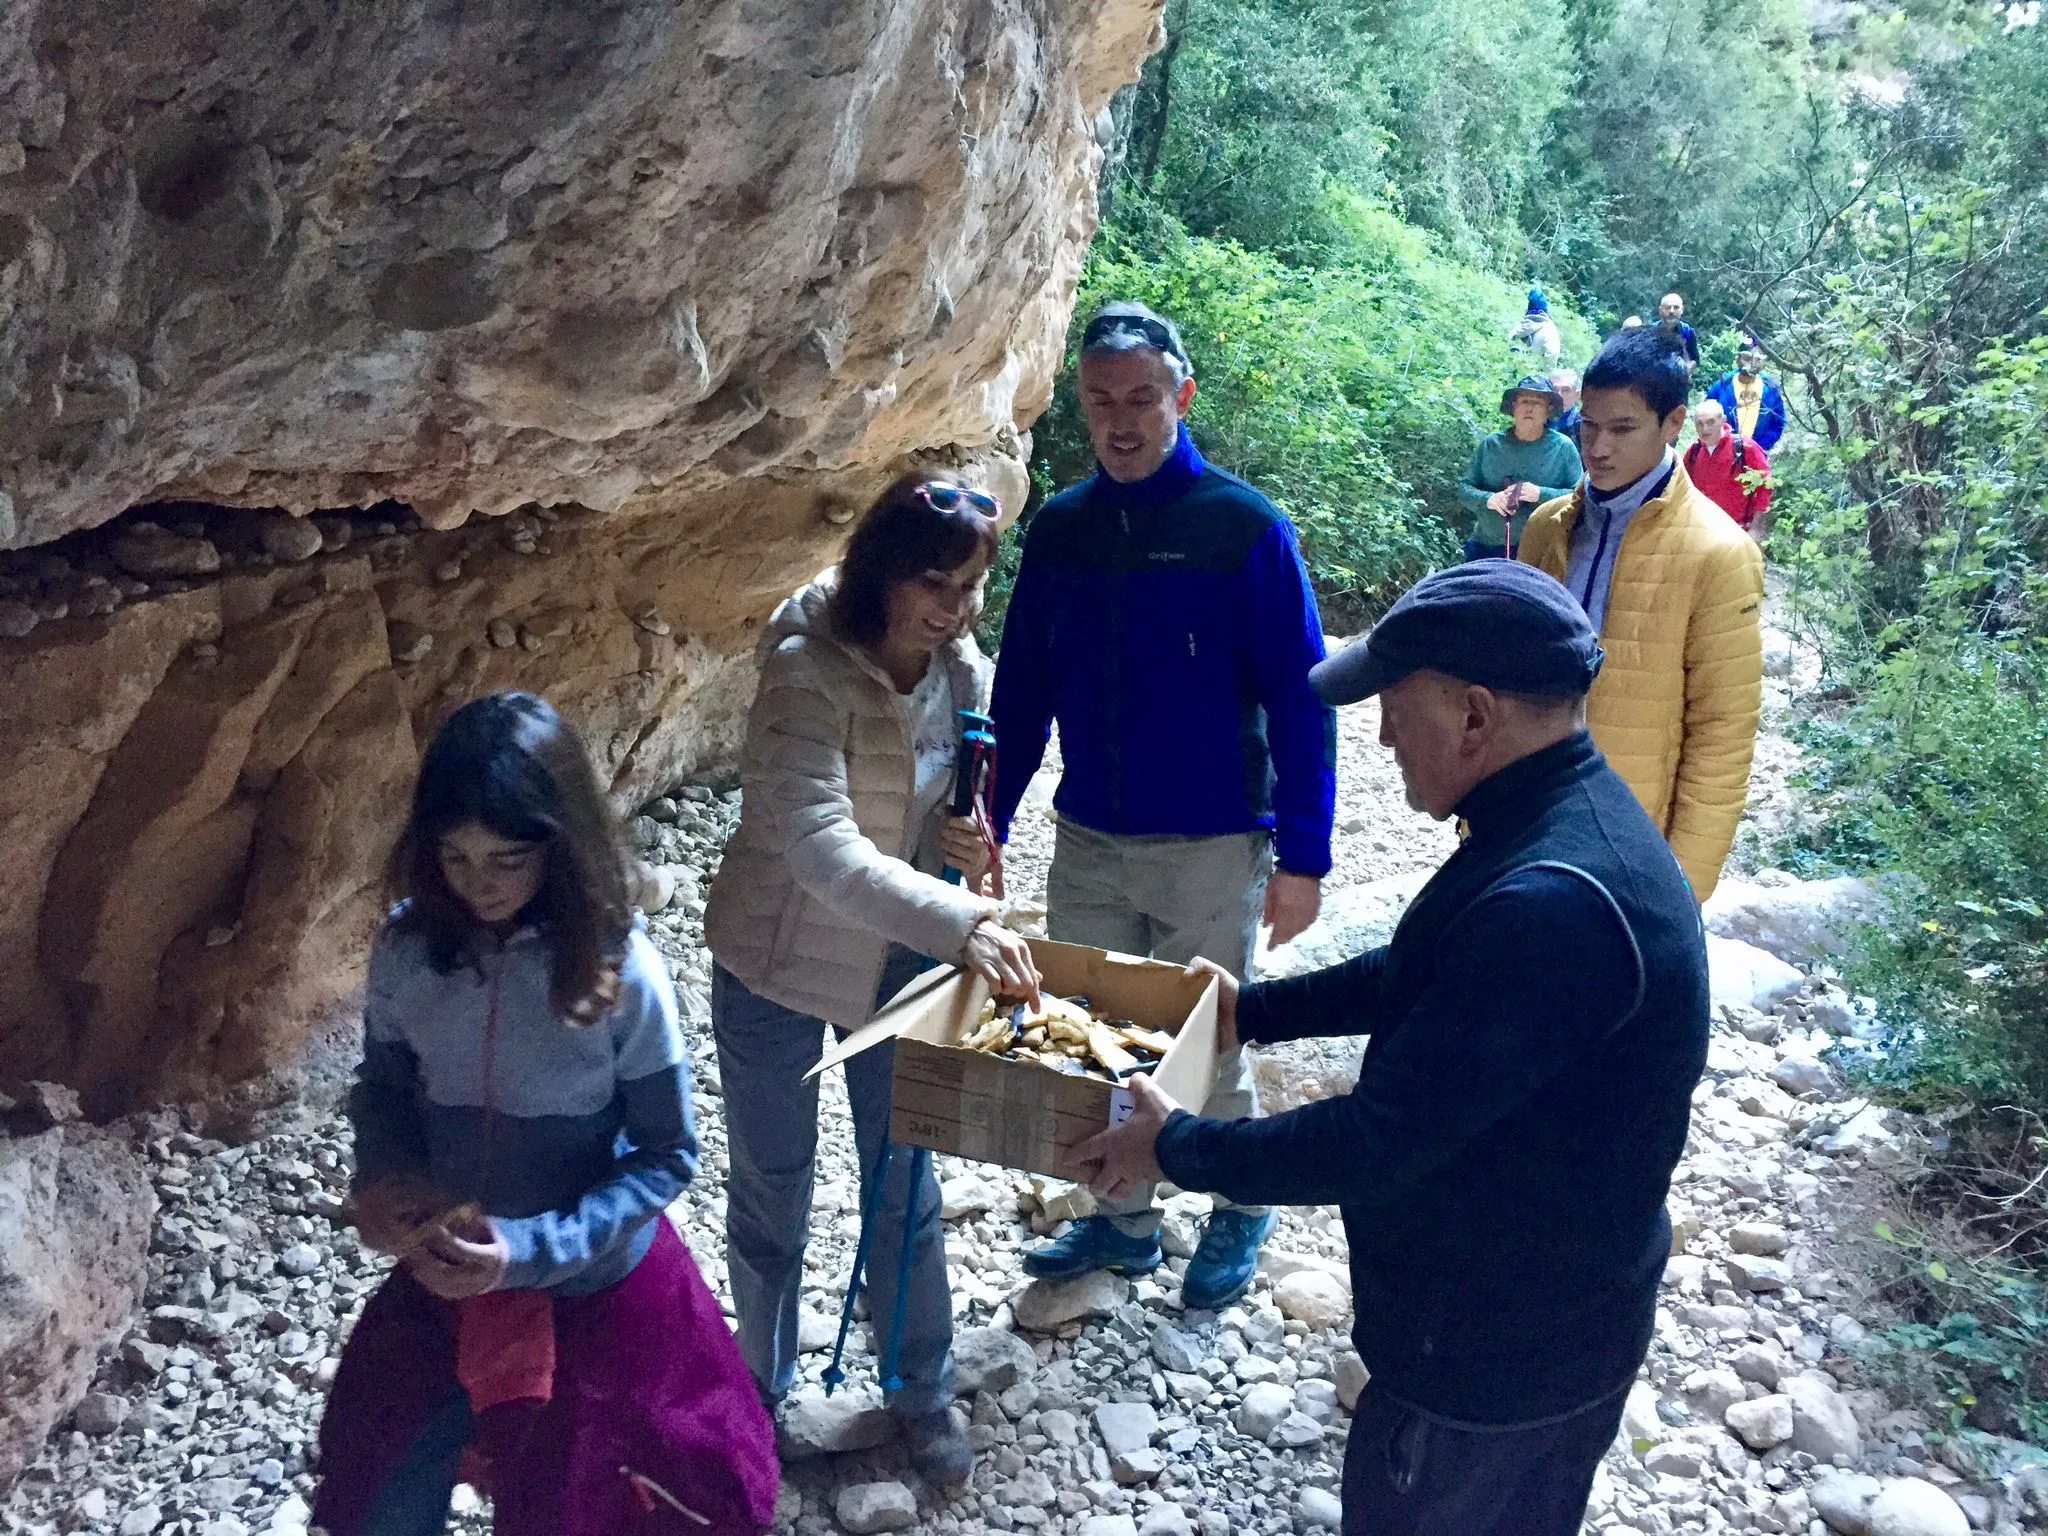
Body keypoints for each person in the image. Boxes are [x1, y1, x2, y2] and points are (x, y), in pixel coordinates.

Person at [1074, 562, 1711, 1536]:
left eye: (1391, 708)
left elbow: (1376, 1140)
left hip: (1488, 1372)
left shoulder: (1550, 903)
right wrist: (1255, 1011)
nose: (1374, 735)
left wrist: (1174, 1148)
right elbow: (1427, 970)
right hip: (1540, 1324)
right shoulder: (1555, 826)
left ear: (1474, 716)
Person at [317, 693, 780, 1536]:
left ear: (560, 850)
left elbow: (668, 1153)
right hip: (447, 1278)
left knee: (591, 1504)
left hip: (591, 1288)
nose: (477, 885)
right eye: (453, 858)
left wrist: (531, 1249)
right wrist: (385, 1179)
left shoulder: (620, 972)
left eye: (507, 860)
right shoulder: (408, 949)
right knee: (370, 1482)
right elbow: (383, 1088)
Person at [989, 299, 1336, 1308]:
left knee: (1207, 1037)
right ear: (1082, 411)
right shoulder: (1059, 532)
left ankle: (1236, 1206)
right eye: (1101, 402)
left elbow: (1299, 701)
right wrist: (993, 821)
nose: (1122, 420)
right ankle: (1122, 1221)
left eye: (1142, 397)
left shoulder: (1243, 529)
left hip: (1213, 840)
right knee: (1090, 1033)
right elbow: (1020, 697)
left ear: (1180, 395)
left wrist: (1303, 858)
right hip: (1089, 833)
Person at [702, 476, 1041, 1486]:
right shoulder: (803, 674)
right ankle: (758, 1402)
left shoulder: (959, 668)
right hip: (775, 960)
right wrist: (961, 920)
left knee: (905, 1181)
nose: (953, 608)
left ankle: (920, 1391)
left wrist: (958, 842)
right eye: (933, 584)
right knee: (773, 1188)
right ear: (880, 574)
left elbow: (930, 808)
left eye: (972, 586)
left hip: (895, 957)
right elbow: (814, 844)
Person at [1518, 327, 1764, 902]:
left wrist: (1680, 890)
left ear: (1673, 422)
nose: (1598, 447)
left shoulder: (1719, 554)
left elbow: (1722, 738)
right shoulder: (1547, 529)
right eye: (1588, 427)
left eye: (1622, 428)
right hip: (1521, 813)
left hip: (1626, 838)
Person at [1455, 375, 1583, 562]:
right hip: (1485, 547)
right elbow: (1464, 489)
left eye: (1538, 402)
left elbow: (1579, 498)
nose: (1529, 408)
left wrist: (1540, 494)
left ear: (1549, 411)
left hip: (1540, 550)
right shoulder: (1491, 444)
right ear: (1513, 407)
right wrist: (1489, 499)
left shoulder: (1563, 447)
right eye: (1524, 401)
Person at [1684, 399, 1773, 532]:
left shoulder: (1745, 447)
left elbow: (1765, 487)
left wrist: (1756, 529)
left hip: (1739, 532)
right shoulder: (1693, 453)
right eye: (1700, 424)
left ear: (1723, 420)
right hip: (1702, 532)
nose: (1705, 429)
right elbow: (1683, 489)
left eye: (1710, 422)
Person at [1705, 335, 1788, 451]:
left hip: (1757, 453)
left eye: (1756, 359)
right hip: (1723, 451)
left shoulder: (1771, 388)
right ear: (1738, 359)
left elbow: (1778, 422)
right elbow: (1706, 417)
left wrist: (1760, 447)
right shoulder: (1722, 386)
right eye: (1746, 358)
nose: (1750, 364)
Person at [1509, 288, 1562, 364]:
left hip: (1538, 362)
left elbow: (1512, 335)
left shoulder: (1531, 321)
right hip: (1550, 363)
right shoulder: (1550, 326)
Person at [1657, 291, 1700, 368]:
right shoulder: (1650, 332)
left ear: (1682, 310)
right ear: (1660, 310)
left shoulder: (1688, 331)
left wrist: (1685, 371)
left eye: (1676, 307)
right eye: (1667, 307)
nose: (1671, 311)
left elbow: (1695, 359)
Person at [1549, 367, 1582, 450]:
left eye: (1566, 390)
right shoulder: (1539, 421)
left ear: (1577, 395)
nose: (1559, 395)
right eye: (1555, 390)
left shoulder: (1582, 425)